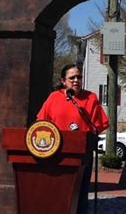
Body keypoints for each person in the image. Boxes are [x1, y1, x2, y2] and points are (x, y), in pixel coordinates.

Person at [37, 64, 109, 214]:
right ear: (63, 81)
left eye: (79, 77)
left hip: (81, 156)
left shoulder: (90, 98)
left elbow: (99, 125)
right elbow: (41, 123)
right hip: (56, 153)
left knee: (79, 196)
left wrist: (88, 137)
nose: (76, 80)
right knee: (57, 194)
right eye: (72, 78)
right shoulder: (54, 97)